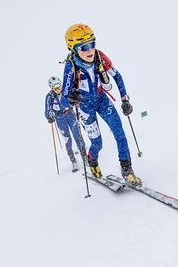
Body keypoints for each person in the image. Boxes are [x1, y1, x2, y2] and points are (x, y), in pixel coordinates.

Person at [59, 23, 141, 186]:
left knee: (120, 133)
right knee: (98, 143)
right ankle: (92, 161)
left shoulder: (99, 57)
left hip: (102, 100)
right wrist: (71, 99)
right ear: (73, 49)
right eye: (84, 47)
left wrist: (125, 99)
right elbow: (63, 99)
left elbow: (118, 77)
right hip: (85, 108)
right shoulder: (71, 67)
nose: (90, 50)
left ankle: (127, 171)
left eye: (92, 44)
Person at [45, 76, 87, 172]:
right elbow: (47, 110)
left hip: (70, 114)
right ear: (52, 88)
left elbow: (74, 99)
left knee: (77, 135)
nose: (58, 90)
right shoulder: (50, 96)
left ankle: (84, 157)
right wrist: (49, 117)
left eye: (59, 87)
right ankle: (73, 161)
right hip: (60, 119)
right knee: (67, 139)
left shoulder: (66, 91)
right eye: (55, 88)